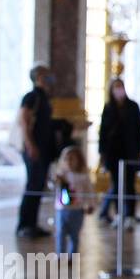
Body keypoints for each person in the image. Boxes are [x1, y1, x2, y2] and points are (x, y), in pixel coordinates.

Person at [98, 78, 140, 227]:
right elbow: (103, 132)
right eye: (116, 87)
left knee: (130, 185)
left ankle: (130, 215)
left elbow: (139, 129)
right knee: (116, 184)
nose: (119, 90)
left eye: (121, 87)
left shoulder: (133, 106)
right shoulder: (108, 107)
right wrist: (102, 152)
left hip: (130, 150)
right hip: (113, 152)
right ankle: (119, 214)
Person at [16, 64, 55, 239]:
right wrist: (31, 145)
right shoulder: (31, 97)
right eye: (45, 75)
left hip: (44, 148)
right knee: (32, 186)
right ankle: (24, 225)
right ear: (38, 77)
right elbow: (23, 121)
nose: (49, 78)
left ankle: (32, 224)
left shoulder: (45, 97)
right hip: (34, 148)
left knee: (38, 186)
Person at [50, 144, 93, 256]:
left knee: (74, 234)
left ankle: (72, 256)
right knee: (60, 233)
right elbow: (52, 186)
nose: (69, 161)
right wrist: (55, 180)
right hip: (62, 209)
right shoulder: (61, 175)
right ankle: (60, 254)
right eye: (66, 159)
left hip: (77, 210)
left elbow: (90, 192)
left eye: (72, 159)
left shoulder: (83, 177)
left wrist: (90, 205)